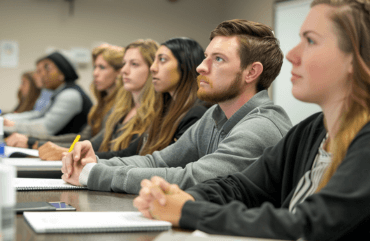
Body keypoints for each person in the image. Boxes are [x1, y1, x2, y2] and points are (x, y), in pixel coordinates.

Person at [135, 0, 370, 240]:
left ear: (355, 56)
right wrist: (180, 198)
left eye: (310, 40)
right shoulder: (312, 130)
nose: (293, 55)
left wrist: (187, 210)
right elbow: (241, 187)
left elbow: (308, 228)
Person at [61, 19, 292, 195]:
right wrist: (95, 163)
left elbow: (192, 178)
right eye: (205, 57)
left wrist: (95, 174)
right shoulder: (215, 114)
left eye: (218, 59)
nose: (202, 67)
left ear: (252, 72)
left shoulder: (261, 126)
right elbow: (159, 161)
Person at [39, 40, 158, 160]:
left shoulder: (155, 112)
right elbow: (92, 142)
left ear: (152, 69)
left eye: (134, 64)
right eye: (124, 64)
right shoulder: (120, 109)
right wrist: (38, 143)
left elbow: (130, 155)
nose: (124, 71)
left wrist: (65, 152)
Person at [95, 37, 209, 159]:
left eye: (162, 60)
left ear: (184, 66)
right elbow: (131, 153)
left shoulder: (196, 113)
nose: (153, 68)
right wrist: (91, 159)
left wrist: (95, 164)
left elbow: (165, 164)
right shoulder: (165, 108)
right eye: (155, 61)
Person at [8, 44, 124, 154]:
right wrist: (33, 141)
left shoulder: (71, 95)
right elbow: (82, 138)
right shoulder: (102, 105)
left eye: (102, 67)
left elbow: (95, 144)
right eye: (95, 67)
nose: (95, 73)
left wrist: (32, 142)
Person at [4, 52, 93, 138]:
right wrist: (7, 120)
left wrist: (13, 125)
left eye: (47, 68)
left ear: (62, 74)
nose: (42, 74)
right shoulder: (59, 93)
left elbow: (46, 128)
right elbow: (39, 115)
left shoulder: (70, 95)